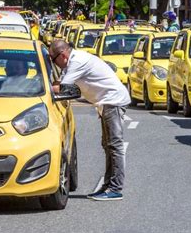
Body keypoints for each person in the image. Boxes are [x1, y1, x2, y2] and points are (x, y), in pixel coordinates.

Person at [50, 39, 131, 201]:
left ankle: (115, 188)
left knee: (114, 145)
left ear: (63, 55)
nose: (54, 63)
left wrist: (36, 86)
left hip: (112, 101)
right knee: (107, 146)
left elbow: (62, 87)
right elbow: (60, 83)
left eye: (53, 59)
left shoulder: (77, 61)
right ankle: (108, 186)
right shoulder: (73, 61)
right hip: (105, 102)